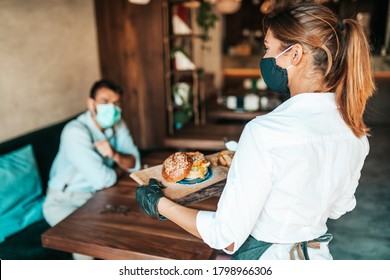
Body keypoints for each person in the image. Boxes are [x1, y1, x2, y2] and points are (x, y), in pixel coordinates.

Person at [136, 3, 375, 260]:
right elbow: (339, 207)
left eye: (268, 48)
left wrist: (158, 203)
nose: (265, 57)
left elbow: (225, 237)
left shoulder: (264, 132)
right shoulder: (355, 133)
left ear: (294, 54)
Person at [43, 79, 140, 231]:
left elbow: (135, 163)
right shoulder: (75, 132)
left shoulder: (118, 123)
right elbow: (104, 179)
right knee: (89, 241)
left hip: (97, 195)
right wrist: (121, 169)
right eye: (105, 101)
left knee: (132, 224)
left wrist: (114, 155)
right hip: (65, 200)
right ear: (91, 103)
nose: (112, 108)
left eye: (116, 103)